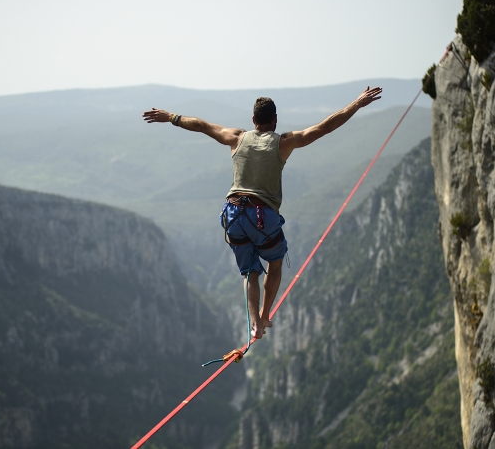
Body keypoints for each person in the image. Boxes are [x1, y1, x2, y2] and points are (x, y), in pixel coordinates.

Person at [142, 86, 382, 339]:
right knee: (275, 264)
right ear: (275, 120)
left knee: (250, 272)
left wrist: (171, 117)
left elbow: (201, 125)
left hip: (233, 214)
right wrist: (356, 104)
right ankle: (265, 315)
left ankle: (254, 321)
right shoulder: (283, 142)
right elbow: (324, 127)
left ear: (253, 120)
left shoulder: (235, 136)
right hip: (261, 215)